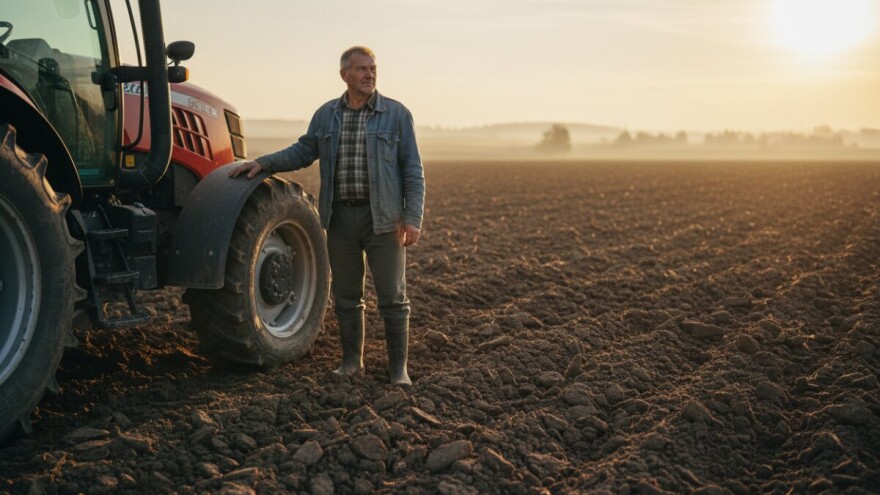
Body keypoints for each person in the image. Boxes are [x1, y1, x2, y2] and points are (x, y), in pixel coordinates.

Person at [229, 46, 425, 386]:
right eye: (361, 69)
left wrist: (413, 217)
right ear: (344, 75)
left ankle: (399, 369)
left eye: (373, 68)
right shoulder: (327, 116)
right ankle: (351, 362)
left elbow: (413, 171)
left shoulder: (396, 115)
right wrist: (265, 163)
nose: (369, 74)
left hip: (384, 220)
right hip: (340, 219)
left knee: (393, 298)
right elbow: (304, 151)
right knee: (347, 296)